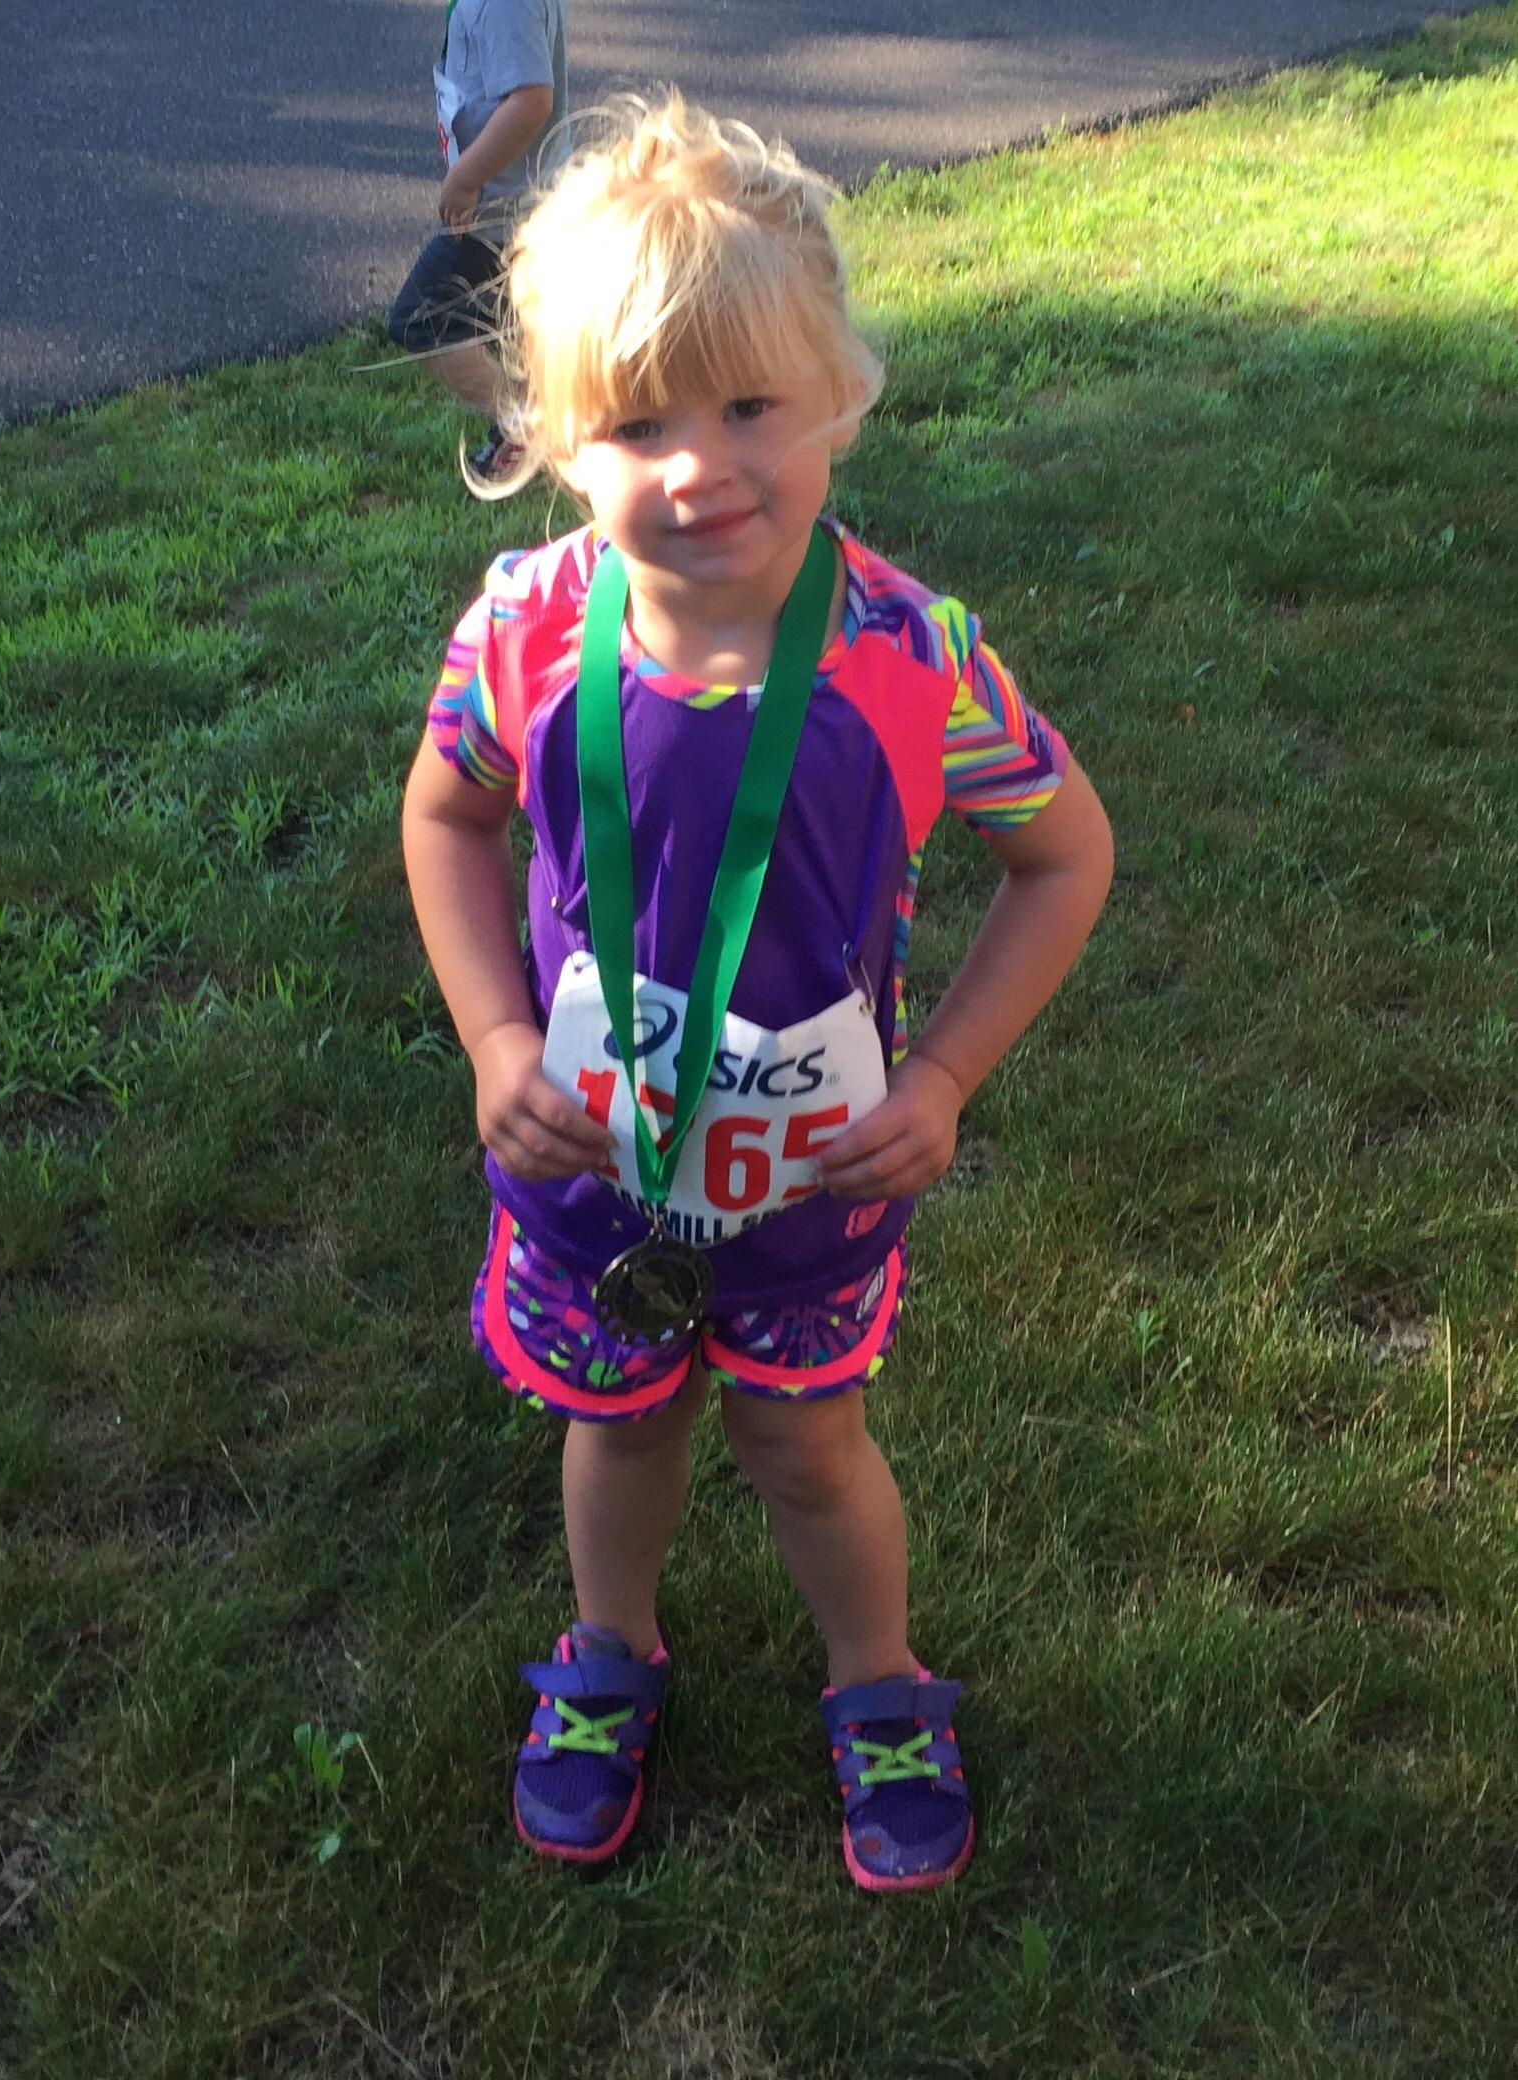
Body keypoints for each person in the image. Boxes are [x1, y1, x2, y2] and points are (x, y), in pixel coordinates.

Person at [402, 95, 1114, 1891]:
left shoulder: (911, 661)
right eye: (637, 421)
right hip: (589, 1165)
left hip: (811, 1180)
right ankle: (608, 1654)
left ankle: (878, 1682)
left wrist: (940, 1079)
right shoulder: (522, 636)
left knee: (809, 1450)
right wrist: (493, 1034)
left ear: (838, 399)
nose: (698, 466)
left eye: (747, 407)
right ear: (554, 440)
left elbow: (1066, 856)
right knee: (617, 1427)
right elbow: (446, 817)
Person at [387, 0, 568, 478]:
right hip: (519, 202)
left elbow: (531, 100)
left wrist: (466, 179)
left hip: (504, 211)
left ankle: (527, 426)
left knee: (422, 318)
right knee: (522, 327)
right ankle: (552, 419)